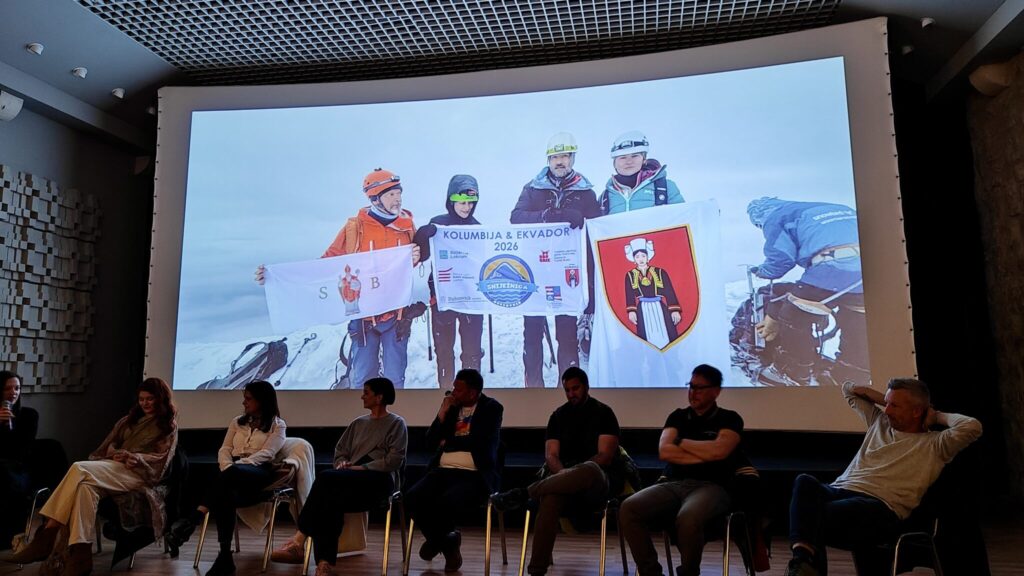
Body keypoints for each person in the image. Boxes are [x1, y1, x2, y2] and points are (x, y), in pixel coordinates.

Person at [784, 379, 982, 576]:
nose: (886, 410)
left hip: (880, 506)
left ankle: (803, 565)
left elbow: (972, 426)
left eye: (894, 406)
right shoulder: (879, 423)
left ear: (916, 411)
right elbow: (848, 389)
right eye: (886, 403)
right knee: (804, 482)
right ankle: (803, 561)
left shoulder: (936, 444)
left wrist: (935, 415)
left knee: (811, 517)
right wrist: (884, 399)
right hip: (841, 490)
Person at [256, 168, 422, 388]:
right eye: (391, 194)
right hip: (363, 317)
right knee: (363, 381)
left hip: (396, 316)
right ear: (375, 198)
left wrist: (415, 258)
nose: (398, 198)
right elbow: (328, 262)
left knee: (395, 380)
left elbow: (408, 263)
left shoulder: (407, 226)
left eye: (399, 193)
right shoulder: (355, 228)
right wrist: (275, 278)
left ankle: (395, 412)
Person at [9, 378, 177, 576]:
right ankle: (81, 556)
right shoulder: (128, 420)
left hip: (139, 474)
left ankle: (48, 533)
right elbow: (110, 445)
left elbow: (162, 458)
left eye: (150, 399)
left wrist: (137, 457)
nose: (145, 403)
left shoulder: (167, 425)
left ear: (160, 399)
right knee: (84, 489)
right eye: (142, 399)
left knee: (79, 468)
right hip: (115, 468)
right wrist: (116, 453)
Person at [269, 377, 407, 576]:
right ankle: (324, 565)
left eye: (366, 393)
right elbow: (341, 451)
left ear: (379, 397)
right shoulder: (358, 423)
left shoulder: (396, 423)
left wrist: (361, 468)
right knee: (328, 502)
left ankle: (299, 540)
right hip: (349, 480)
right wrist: (342, 463)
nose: (362, 396)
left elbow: (394, 460)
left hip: (379, 480)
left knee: (326, 479)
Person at [492, 367, 621, 576]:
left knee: (588, 468)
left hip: (597, 482)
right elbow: (551, 456)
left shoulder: (604, 413)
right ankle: (536, 571)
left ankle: (523, 493)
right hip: (563, 480)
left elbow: (604, 456)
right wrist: (566, 476)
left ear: (587, 386)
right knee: (550, 498)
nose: (571, 394)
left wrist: (572, 474)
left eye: (575, 389)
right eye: (567, 390)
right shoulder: (558, 416)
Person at [619, 364, 744, 576]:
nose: (693, 392)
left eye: (699, 388)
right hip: (674, 483)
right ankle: (651, 572)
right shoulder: (677, 416)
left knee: (688, 517)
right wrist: (705, 452)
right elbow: (665, 451)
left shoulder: (730, 418)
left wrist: (681, 442)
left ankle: (688, 572)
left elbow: (720, 451)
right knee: (629, 508)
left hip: (713, 486)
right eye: (691, 386)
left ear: (716, 391)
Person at [168, 380, 286, 576]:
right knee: (225, 495)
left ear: (262, 400)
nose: (244, 403)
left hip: (258, 471)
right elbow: (225, 449)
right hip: (232, 472)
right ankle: (224, 556)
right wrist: (227, 467)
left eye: (248, 399)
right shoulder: (237, 422)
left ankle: (194, 519)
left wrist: (237, 467)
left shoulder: (278, 425)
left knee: (228, 480)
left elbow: (268, 453)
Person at [510, 132, 600, 387]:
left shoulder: (585, 192)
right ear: (548, 160)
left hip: (567, 271)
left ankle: (570, 390)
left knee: (567, 334)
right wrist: (549, 215)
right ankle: (533, 387)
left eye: (565, 156)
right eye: (555, 157)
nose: (560, 161)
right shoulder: (532, 188)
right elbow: (516, 217)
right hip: (535, 270)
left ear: (573, 158)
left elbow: (597, 229)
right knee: (532, 333)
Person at [746, 197, 867, 386]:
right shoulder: (832, 207)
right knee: (855, 319)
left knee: (794, 315)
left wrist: (763, 271)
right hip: (868, 269)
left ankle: (791, 373)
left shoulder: (776, 217)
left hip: (832, 267)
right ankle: (851, 374)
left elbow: (781, 258)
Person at [404, 368, 502, 572]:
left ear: (472, 393)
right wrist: (442, 412)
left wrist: (448, 442)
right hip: (442, 470)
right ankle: (448, 543)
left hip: (474, 474)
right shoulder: (451, 408)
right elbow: (430, 442)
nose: (452, 393)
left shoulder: (492, 408)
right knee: (412, 498)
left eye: (458, 390)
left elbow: (479, 441)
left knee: (446, 502)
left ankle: (437, 542)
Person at [413, 175, 485, 387]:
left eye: (470, 203)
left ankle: (471, 393)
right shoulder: (438, 223)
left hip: (471, 299)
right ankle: (445, 391)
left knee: (472, 351)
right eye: (461, 202)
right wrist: (423, 235)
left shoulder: (479, 228)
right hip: (443, 298)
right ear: (451, 200)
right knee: (444, 351)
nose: (466, 207)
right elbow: (422, 255)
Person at [599, 131, 684, 215]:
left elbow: (682, 218)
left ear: (644, 160)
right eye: (623, 157)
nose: (629, 161)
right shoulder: (604, 198)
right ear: (614, 163)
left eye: (634, 156)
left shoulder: (665, 188)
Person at [0, 371, 39, 549]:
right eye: (7, 388)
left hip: (18, 469)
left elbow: (21, 451)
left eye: (17, 388)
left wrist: (9, 426)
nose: (13, 392)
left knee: (5, 475)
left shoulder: (29, 415)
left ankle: (10, 537)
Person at [623, 237, 682, 349]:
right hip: (642, 309)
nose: (641, 259)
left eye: (643, 256)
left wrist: (674, 310)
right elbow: (629, 295)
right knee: (645, 338)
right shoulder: (630, 275)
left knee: (668, 334)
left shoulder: (660, 272)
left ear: (647, 257)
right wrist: (631, 311)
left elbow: (669, 291)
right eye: (637, 256)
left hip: (659, 306)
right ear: (634, 259)